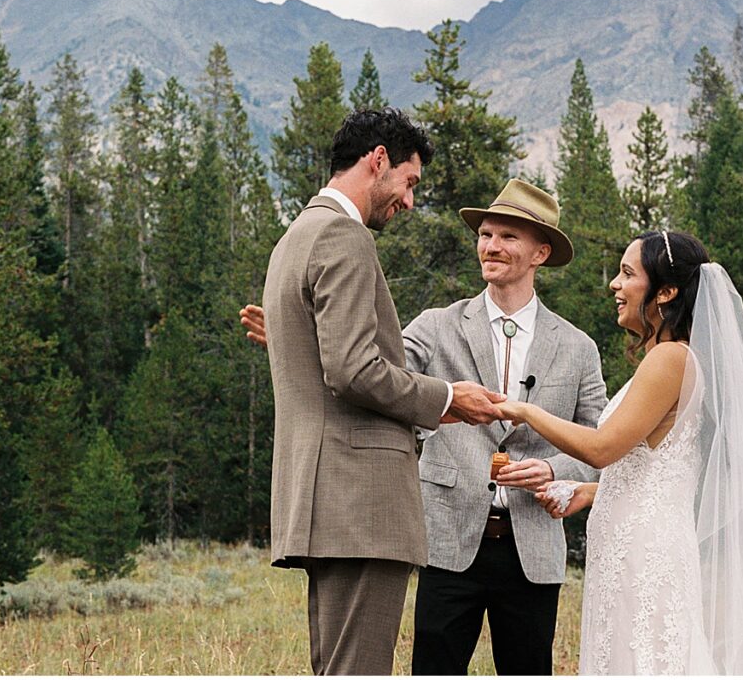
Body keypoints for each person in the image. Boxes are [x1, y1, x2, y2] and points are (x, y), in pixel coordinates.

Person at [243, 179, 606, 675]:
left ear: (541, 252)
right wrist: (300, 337)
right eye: (485, 234)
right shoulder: (435, 326)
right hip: (447, 541)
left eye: (507, 237)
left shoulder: (578, 347)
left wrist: (549, 467)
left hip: (533, 548)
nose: (491, 246)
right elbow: (368, 373)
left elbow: (597, 443)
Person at [258, 107, 504, 676]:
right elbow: (351, 368)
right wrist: (447, 399)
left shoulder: (296, 236)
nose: (411, 201)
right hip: (359, 504)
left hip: (322, 498)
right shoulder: (344, 237)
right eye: (410, 182)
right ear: (377, 161)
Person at [497, 231, 743, 674]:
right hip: (633, 541)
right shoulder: (672, 358)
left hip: (644, 551)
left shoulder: (670, 359)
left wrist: (524, 410)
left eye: (626, 274)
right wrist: (588, 492)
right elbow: (662, 467)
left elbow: (602, 448)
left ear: (666, 291)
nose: (614, 286)